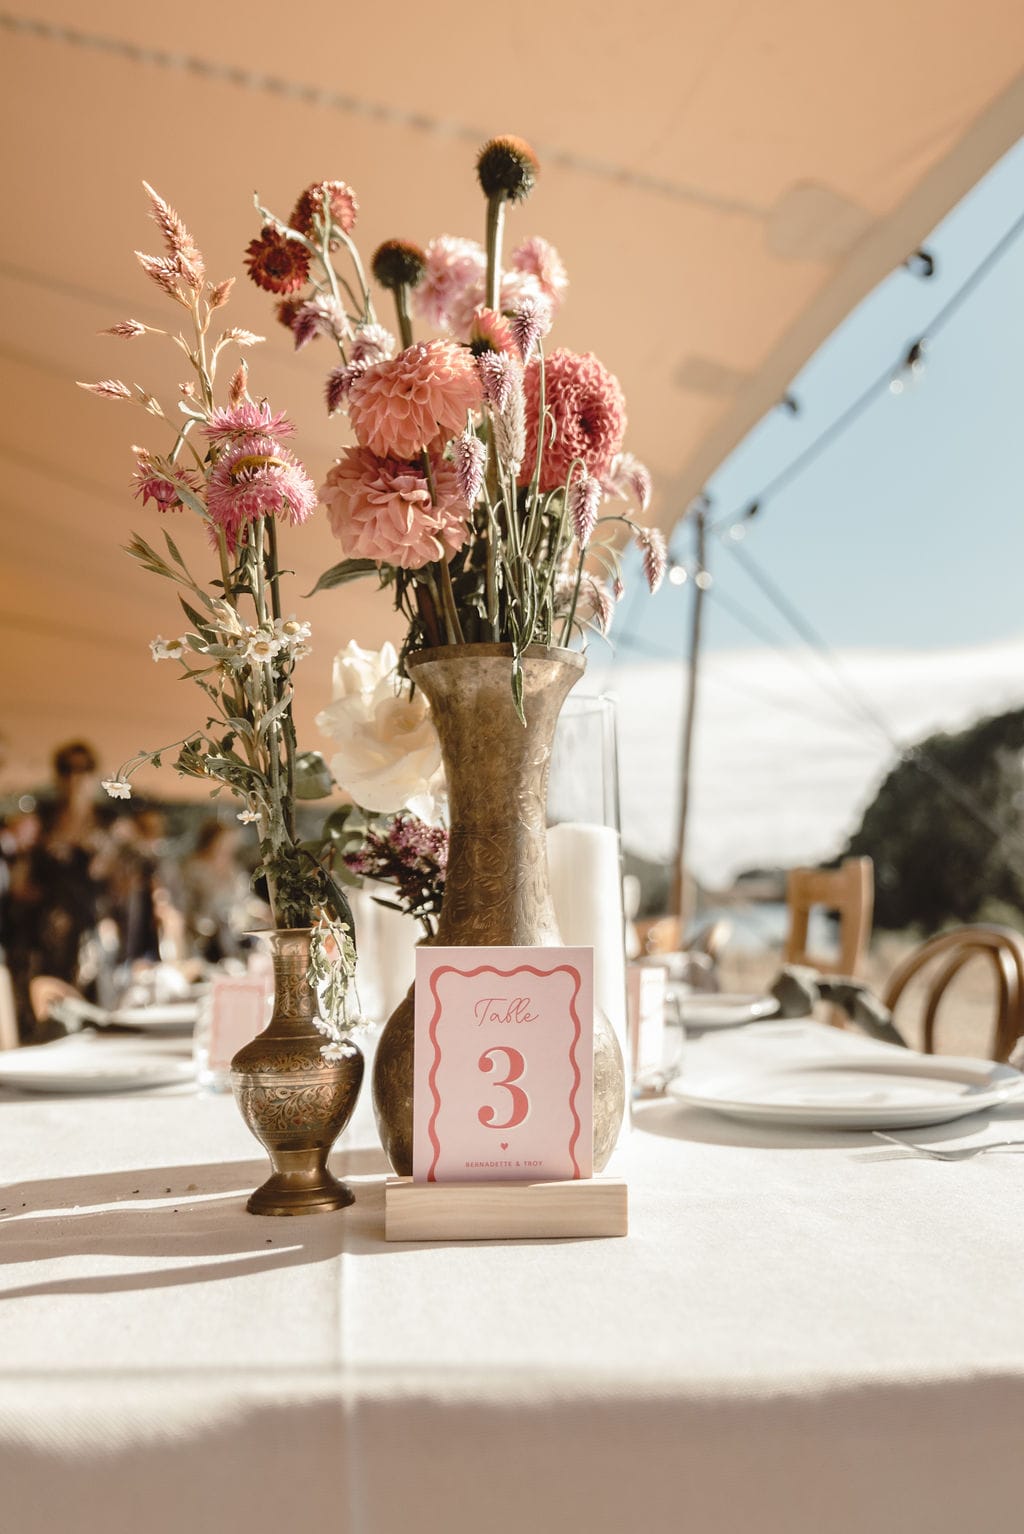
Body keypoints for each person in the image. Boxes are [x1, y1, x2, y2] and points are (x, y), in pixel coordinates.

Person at [7, 741, 114, 1039]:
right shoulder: (41, 820)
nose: (75, 776)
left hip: (89, 935)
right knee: (45, 1024)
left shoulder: (109, 823)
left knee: (92, 1023)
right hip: (43, 937)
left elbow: (117, 884)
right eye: (67, 769)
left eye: (83, 768)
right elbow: (20, 883)